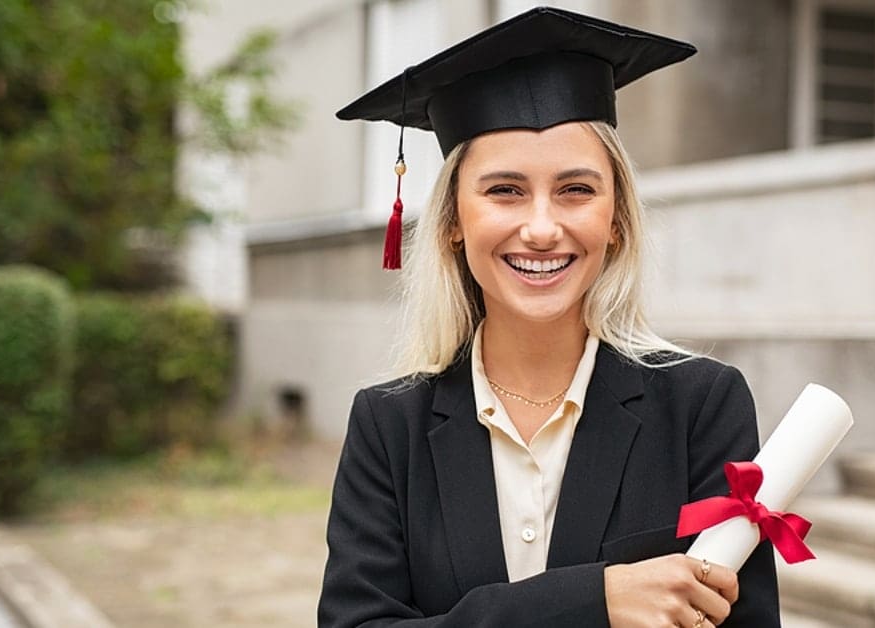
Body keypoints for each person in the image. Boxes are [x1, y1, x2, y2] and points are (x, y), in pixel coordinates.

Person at [320, 7, 779, 627]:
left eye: (576, 190)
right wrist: (597, 601)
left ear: (616, 222)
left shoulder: (700, 408)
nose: (541, 229)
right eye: (504, 190)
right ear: (454, 222)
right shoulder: (389, 428)